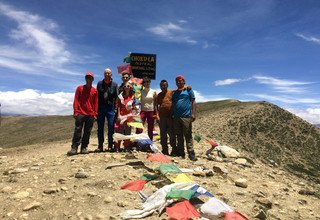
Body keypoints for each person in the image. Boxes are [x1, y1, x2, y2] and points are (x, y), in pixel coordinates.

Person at [67, 72, 98, 156]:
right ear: (85, 79)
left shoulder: (94, 91)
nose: (89, 79)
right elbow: (76, 100)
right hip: (80, 113)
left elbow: (96, 103)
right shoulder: (80, 88)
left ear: (92, 79)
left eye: (90, 78)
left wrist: (95, 114)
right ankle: (74, 148)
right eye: (87, 77)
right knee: (77, 130)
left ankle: (84, 147)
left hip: (90, 114)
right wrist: (75, 111)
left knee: (87, 132)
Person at [172, 75, 197, 161]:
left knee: (188, 135)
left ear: (184, 81)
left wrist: (193, 113)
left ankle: (191, 153)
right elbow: (174, 103)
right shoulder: (174, 93)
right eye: (177, 81)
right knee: (179, 135)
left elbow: (193, 101)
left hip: (186, 116)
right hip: (176, 116)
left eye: (180, 80)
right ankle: (181, 152)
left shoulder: (188, 90)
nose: (179, 82)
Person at [96, 68, 118, 152]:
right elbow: (96, 96)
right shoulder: (99, 83)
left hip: (110, 108)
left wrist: (115, 108)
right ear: (104, 74)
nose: (107, 74)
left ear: (111, 74)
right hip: (100, 108)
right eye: (106, 73)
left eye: (109, 73)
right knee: (100, 127)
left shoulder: (115, 84)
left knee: (111, 127)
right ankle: (100, 146)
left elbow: (116, 97)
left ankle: (110, 145)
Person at [114, 82, 137, 152]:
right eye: (125, 86)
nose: (126, 87)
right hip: (121, 116)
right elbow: (118, 107)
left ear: (130, 88)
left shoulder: (132, 97)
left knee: (127, 132)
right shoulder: (120, 96)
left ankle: (126, 147)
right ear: (123, 87)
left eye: (128, 86)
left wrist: (133, 114)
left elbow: (134, 107)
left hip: (129, 116)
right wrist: (118, 115)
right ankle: (117, 147)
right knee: (119, 131)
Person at [156, 80, 176, 155]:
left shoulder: (170, 92)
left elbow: (178, 89)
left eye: (164, 85)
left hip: (170, 117)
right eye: (161, 85)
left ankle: (174, 150)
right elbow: (156, 106)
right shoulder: (159, 95)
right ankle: (165, 150)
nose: (163, 87)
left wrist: (186, 87)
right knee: (163, 134)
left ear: (167, 85)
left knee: (172, 134)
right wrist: (157, 115)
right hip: (162, 117)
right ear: (160, 86)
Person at [139, 76, 157, 140]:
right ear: (143, 83)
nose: (147, 83)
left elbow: (155, 103)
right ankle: (137, 142)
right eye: (145, 82)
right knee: (139, 127)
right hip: (143, 111)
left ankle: (150, 142)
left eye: (148, 81)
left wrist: (156, 113)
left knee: (150, 128)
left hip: (151, 111)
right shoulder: (140, 92)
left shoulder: (154, 91)